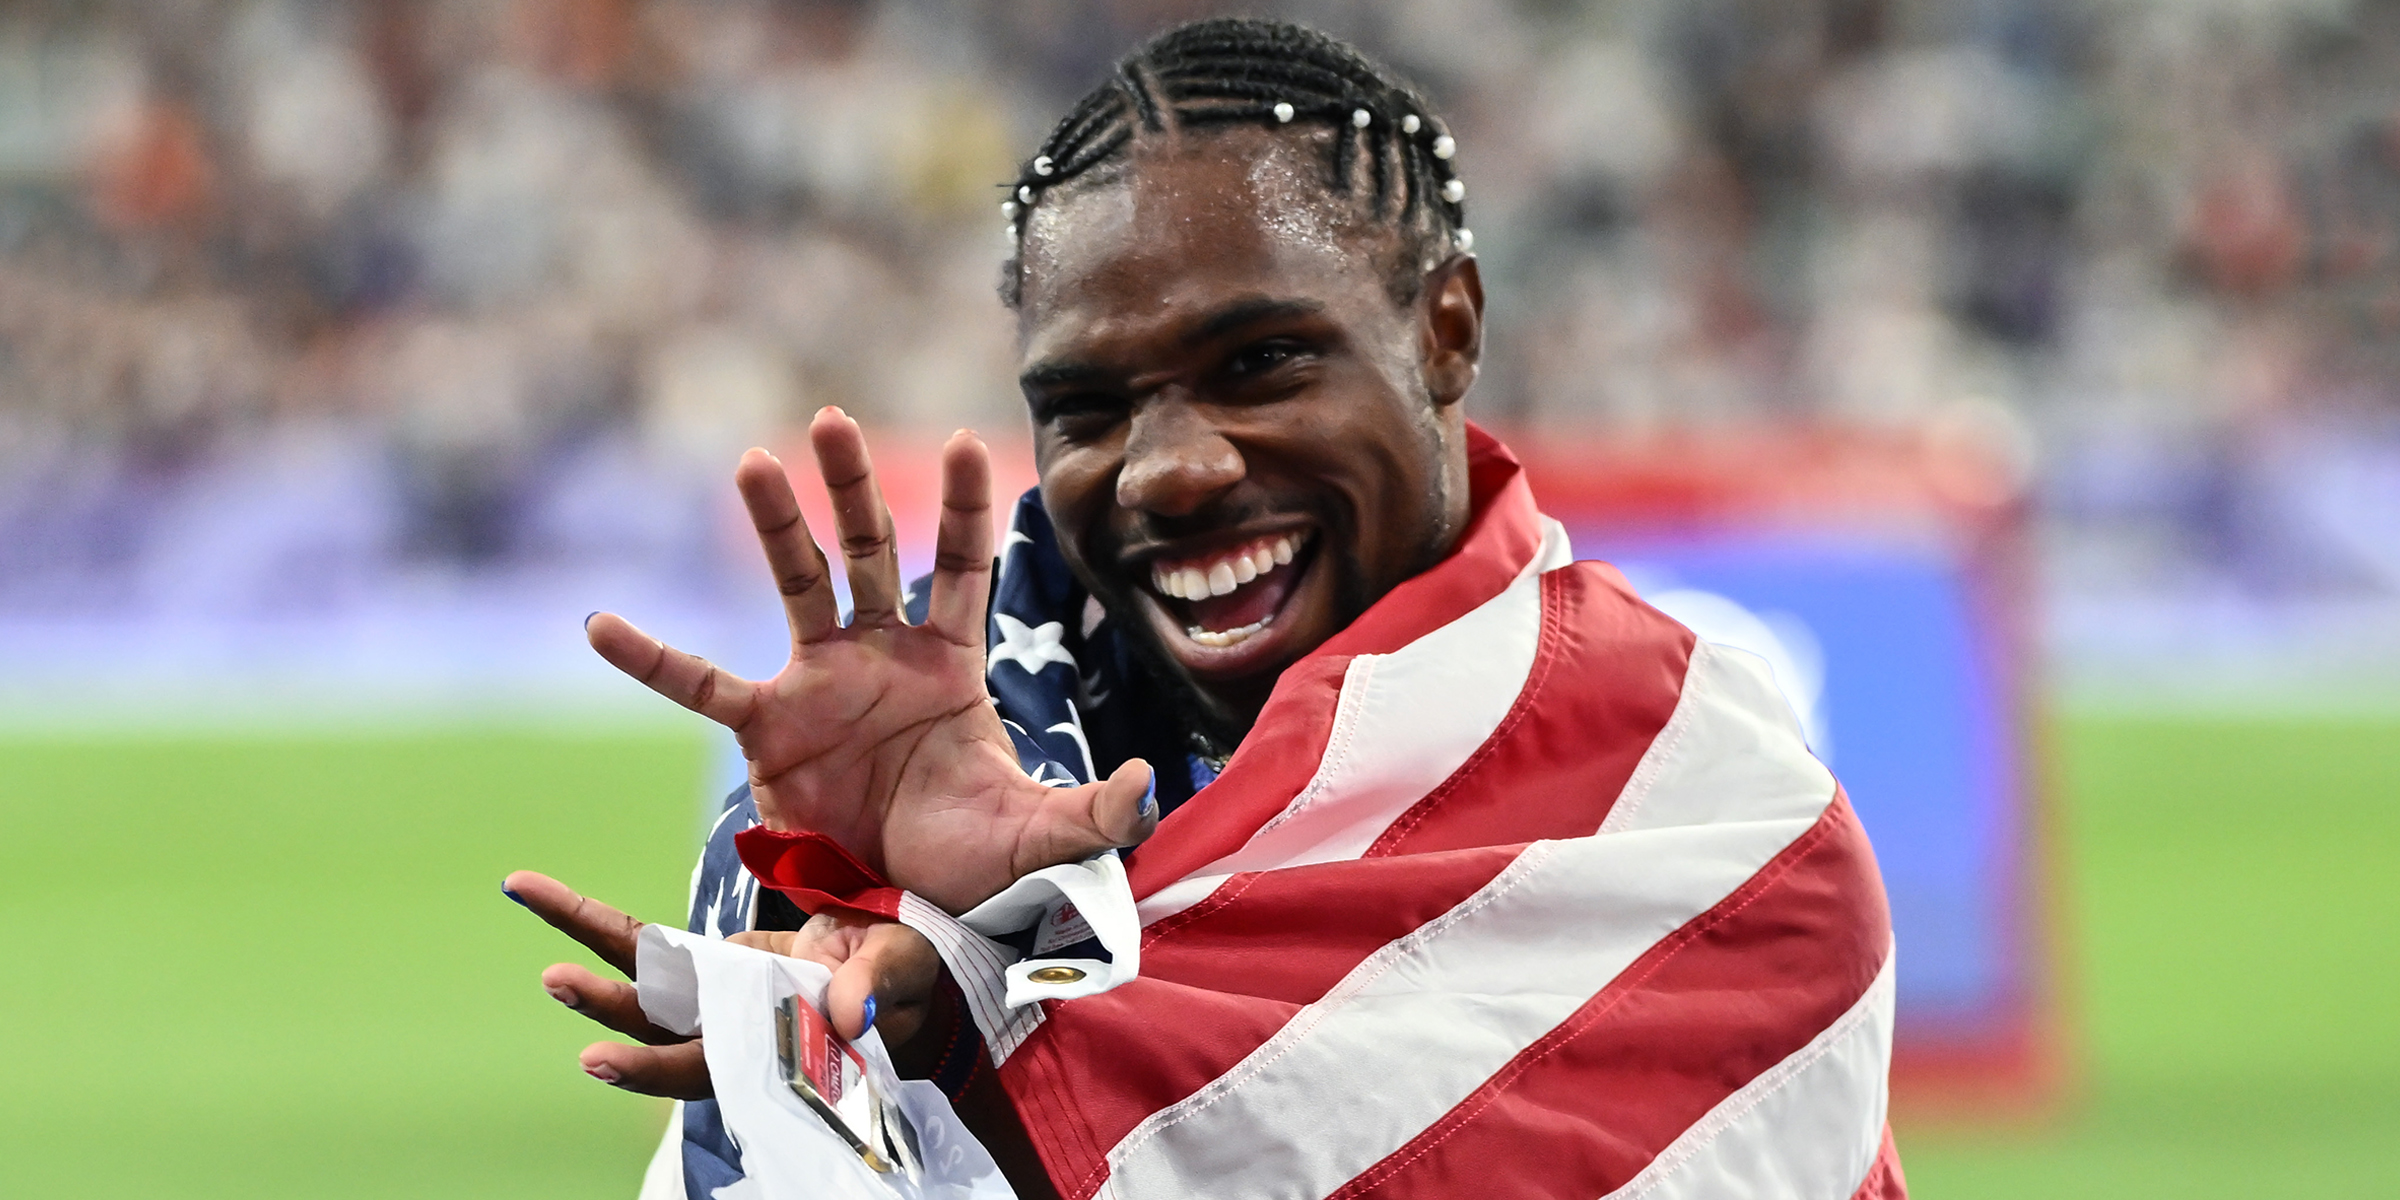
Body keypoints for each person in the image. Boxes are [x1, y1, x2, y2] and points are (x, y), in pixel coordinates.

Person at [506, 17, 1907, 1200]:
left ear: (1448, 331)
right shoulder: (901, 783)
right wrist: (894, 976)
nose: (1171, 469)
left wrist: (1023, 1026)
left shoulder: (1698, 797)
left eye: (1261, 362)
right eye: (1090, 408)